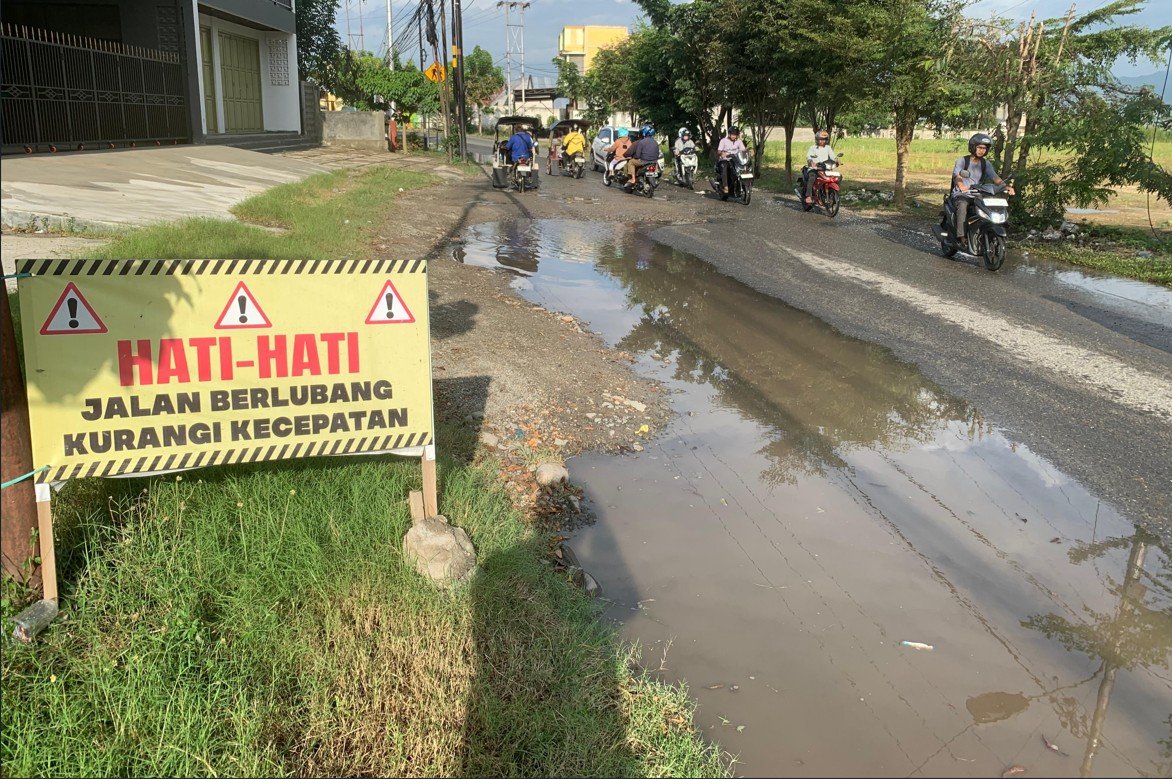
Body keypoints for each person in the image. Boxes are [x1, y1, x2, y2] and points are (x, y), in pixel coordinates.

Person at [951, 132, 1014, 242]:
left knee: (992, 207)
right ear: (973, 147)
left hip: (978, 194)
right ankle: (961, 236)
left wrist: (1006, 187)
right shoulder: (962, 161)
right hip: (962, 193)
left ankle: (986, 231)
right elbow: (957, 176)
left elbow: (995, 178)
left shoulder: (986, 163)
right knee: (962, 206)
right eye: (979, 147)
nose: (982, 150)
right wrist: (961, 186)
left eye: (984, 148)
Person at [802, 130, 837, 204]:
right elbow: (809, 156)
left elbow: (833, 156)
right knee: (812, 177)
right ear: (817, 139)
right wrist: (811, 162)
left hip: (825, 169)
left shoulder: (828, 148)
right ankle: (808, 196)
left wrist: (837, 160)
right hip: (814, 169)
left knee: (836, 177)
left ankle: (832, 193)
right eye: (820, 139)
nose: (822, 141)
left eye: (824, 139)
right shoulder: (813, 148)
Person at [716, 125, 747, 194]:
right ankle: (725, 186)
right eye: (732, 134)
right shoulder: (723, 141)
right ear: (729, 134)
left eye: (735, 135)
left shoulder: (739, 141)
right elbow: (719, 151)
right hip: (725, 160)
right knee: (725, 168)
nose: (734, 136)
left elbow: (743, 150)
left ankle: (744, 184)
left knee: (743, 167)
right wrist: (722, 153)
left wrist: (748, 152)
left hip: (735, 159)